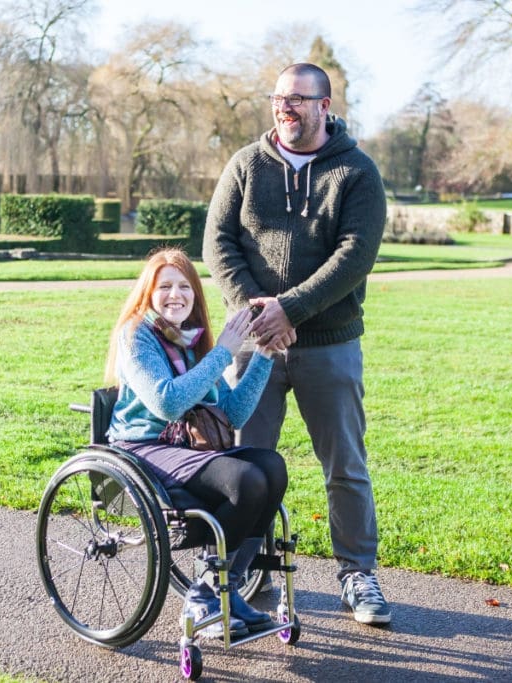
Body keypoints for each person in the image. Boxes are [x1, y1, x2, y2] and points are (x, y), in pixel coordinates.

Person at [203, 62, 391, 626]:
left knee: (345, 467)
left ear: (325, 105)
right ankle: (232, 578)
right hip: (252, 343)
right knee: (241, 463)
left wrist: (292, 309)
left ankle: (357, 576)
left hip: (329, 345)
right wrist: (262, 313)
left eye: (299, 100)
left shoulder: (357, 172)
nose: (286, 108)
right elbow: (218, 243)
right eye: (279, 99)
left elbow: (355, 256)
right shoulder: (245, 164)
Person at [105, 248, 288, 639]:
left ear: (195, 295)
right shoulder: (137, 335)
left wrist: (264, 355)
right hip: (143, 446)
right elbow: (167, 402)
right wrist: (223, 351)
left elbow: (233, 414)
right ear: (148, 293)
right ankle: (206, 594)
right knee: (245, 480)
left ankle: (225, 587)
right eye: (165, 286)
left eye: (185, 286)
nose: (176, 295)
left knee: (271, 467)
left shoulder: (193, 341)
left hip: (187, 446)